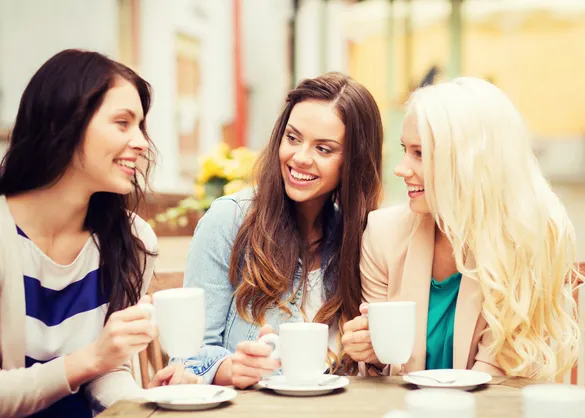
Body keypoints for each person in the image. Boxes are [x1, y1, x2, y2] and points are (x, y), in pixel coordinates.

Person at [0, 49, 198, 418]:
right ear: (63, 122)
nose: (141, 142)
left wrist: (145, 403)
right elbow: (94, 361)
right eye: (122, 123)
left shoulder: (134, 240)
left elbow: (107, 371)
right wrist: (91, 358)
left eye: (141, 125)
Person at [343, 77, 581, 381]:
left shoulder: (532, 236)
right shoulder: (383, 233)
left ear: (468, 161)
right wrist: (372, 352)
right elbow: (385, 369)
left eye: (420, 153)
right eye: (405, 149)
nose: (400, 169)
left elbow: (498, 373)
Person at [178, 72, 384, 388]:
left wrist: (375, 351)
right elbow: (186, 356)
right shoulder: (228, 220)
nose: (300, 158)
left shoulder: (361, 236)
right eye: (293, 138)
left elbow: (378, 366)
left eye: (324, 149)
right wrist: (231, 369)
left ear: (352, 161)